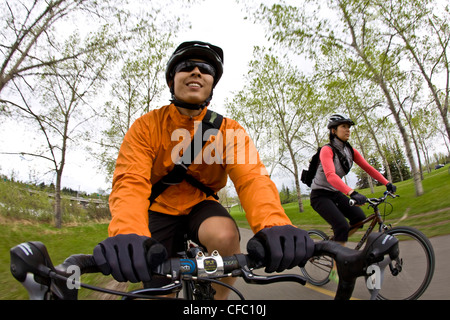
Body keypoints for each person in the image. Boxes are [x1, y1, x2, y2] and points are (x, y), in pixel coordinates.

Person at [93, 41, 314, 299]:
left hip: (201, 204)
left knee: (225, 234)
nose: (197, 72)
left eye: (206, 68)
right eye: (187, 66)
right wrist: (128, 233)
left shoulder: (229, 130)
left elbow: (252, 178)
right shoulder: (146, 126)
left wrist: (274, 226)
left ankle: (217, 303)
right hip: (160, 207)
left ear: (211, 84)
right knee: (158, 292)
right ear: (171, 81)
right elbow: (130, 180)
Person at [309, 113, 397, 281]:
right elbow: (330, 175)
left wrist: (387, 183)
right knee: (341, 225)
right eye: (344, 126)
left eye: (349, 127)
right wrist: (351, 192)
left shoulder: (350, 151)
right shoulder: (327, 150)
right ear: (334, 130)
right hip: (320, 195)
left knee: (359, 218)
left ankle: (334, 244)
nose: (348, 130)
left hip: (334, 193)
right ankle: (337, 266)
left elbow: (369, 168)